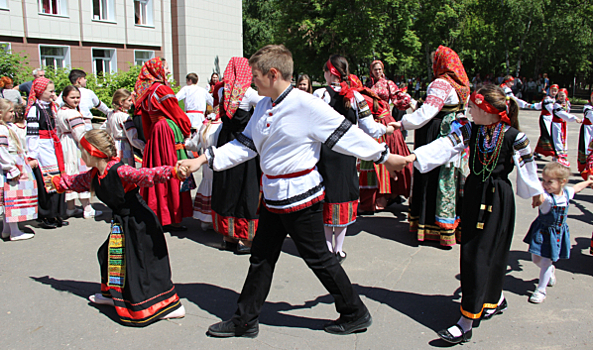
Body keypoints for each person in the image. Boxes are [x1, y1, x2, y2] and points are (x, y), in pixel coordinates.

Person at [177, 44, 405, 338]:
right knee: (261, 256)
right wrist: (202, 159)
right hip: (273, 197)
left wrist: (385, 157)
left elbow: (345, 134)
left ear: (273, 74)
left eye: (256, 76)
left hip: (300, 198)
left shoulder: (306, 105)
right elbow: (245, 145)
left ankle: (354, 312)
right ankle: (245, 320)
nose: (251, 82)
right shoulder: (263, 105)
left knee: (320, 259)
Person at [400, 84, 544, 344]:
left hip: (499, 199)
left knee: (490, 253)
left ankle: (466, 321)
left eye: (473, 107)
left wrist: (536, 191)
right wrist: (412, 158)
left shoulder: (514, 136)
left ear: (487, 109)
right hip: (473, 195)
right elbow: (444, 146)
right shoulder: (469, 129)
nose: (468, 110)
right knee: (472, 253)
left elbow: (527, 167)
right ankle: (492, 300)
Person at [49, 129, 186, 326]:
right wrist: (57, 182)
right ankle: (112, 293)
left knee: (142, 265)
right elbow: (76, 182)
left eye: (83, 151)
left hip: (139, 223)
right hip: (121, 223)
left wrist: (172, 171)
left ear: (93, 152)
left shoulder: (120, 170)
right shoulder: (95, 175)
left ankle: (168, 306)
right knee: (107, 256)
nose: (81, 155)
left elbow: (145, 174)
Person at [313, 55, 396, 262]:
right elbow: (370, 128)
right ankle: (338, 250)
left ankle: (327, 247)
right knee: (342, 197)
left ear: (330, 72)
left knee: (327, 198)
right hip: (347, 155)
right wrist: (388, 127)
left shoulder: (319, 94)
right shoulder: (357, 97)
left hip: (325, 155)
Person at [395, 45, 470, 247]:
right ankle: (450, 225)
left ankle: (430, 225)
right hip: (456, 130)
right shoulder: (462, 85)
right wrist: (412, 103)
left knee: (432, 173)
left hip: (436, 132)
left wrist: (402, 122)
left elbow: (427, 113)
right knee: (450, 177)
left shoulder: (441, 83)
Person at [211, 57, 264, 254]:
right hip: (243, 145)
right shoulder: (249, 93)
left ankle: (228, 236)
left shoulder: (221, 90)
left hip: (225, 140)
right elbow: (268, 105)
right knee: (245, 188)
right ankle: (245, 239)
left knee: (227, 187)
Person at [134, 57, 193, 230]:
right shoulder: (161, 89)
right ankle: (170, 215)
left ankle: (159, 212)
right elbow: (176, 112)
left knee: (157, 167)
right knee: (171, 167)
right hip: (167, 130)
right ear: (157, 70)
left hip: (155, 132)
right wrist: (186, 128)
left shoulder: (145, 90)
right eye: (166, 68)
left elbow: (144, 118)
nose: (168, 71)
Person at [524, 162, 593, 304]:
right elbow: (538, 195)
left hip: (556, 234)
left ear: (562, 182)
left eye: (550, 181)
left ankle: (541, 290)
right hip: (541, 232)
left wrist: (588, 181)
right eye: (544, 180)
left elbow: (577, 188)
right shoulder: (546, 197)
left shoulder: (566, 193)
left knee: (545, 261)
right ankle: (550, 270)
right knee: (536, 259)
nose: (546, 184)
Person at [25, 77, 68, 229]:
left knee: (58, 179)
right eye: (50, 91)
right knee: (49, 181)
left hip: (53, 145)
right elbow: (32, 134)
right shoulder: (34, 109)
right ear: (41, 92)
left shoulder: (52, 107)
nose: (53, 94)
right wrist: (32, 154)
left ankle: (57, 213)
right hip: (42, 148)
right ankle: (47, 215)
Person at [56, 85, 102, 219]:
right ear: (64, 98)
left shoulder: (60, 111)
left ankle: (70, 207)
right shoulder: (73, 113)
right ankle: (87, 208)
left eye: (77, 97)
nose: (76, 100)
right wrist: (88, 145)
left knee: (69, 171)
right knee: (80, 171)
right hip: (75, 145)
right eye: (72, 97)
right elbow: (79, 133)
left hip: (64, 143)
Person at [0, 99, 37, 241]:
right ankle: (14, 231)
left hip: (14, 162)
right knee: (12, 199)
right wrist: (11, 168)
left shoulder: (7, 127)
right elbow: (2, 151)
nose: (13, 114)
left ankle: (7, 229)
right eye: (10, 111)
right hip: (10, 166)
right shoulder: (2, 129)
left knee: (10, 198)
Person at [184, 106, 222, 231]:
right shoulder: (222, 126)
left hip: (206, 162)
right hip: (220, 160)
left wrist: (186, 141)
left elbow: (194, 146)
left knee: (208, 185)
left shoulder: (205, 125)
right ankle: (217, 220)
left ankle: (205, 219)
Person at [102, 89, 145, 166]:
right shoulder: (125, 117)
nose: (131, 103)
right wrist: (143, 146)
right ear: (121, 102)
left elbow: (104, 129)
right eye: (129, 101)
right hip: (124, 147)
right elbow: (132, 138)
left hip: (114, 145)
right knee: (126, 168)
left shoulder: (111, 114)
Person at [578, 93, 593, 174]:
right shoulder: (588, 108)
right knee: (587, 147)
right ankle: (586, 168)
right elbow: (591, 116)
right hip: (587, 130)